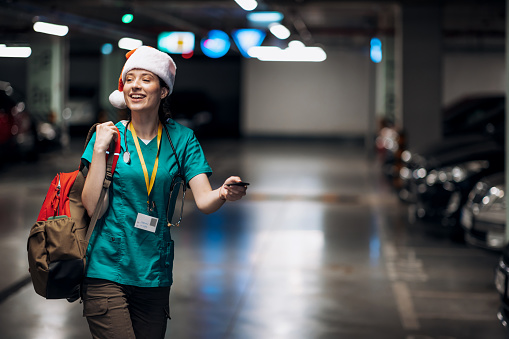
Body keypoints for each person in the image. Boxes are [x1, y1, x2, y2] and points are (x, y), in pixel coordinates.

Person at [80, 46, 247, 339]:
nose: (135, 85)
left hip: (154, 273)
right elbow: (92, 204)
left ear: (163, 90)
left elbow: (204, 200)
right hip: (106, 267)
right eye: (130, 79)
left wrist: (222, 193)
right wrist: (98, 149)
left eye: (146, 79)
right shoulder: (108, 136)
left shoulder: (182, 139)